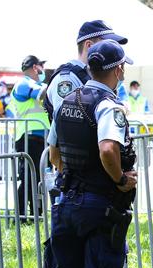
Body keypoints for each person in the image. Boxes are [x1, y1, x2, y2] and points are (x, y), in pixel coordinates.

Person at [38, 39, 137, 268]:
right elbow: (108, 149)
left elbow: (53, 154)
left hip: (66, 201)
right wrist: (120, 180)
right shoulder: (109, 106)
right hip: (101, 206)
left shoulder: (67, 100)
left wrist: (76, 176)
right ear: (118, 70)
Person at [45, 20, 128, 171]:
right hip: (77, 177)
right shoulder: (67, 78)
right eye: (107, 43)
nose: (112, 49)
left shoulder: (92, 77)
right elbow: (64, 130)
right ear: (89, 46)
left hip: (96, 169)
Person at [8, 55, 51, 221]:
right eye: (41, 67)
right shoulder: (23, 83)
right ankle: (21, 216)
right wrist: (57, 84)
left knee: (39, 178)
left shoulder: (36, 83)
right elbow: (41, 94)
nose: (42, 71)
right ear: (35, 67)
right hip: (29, 137)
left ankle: (36, 215)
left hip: (40, 138)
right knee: (28, 178)